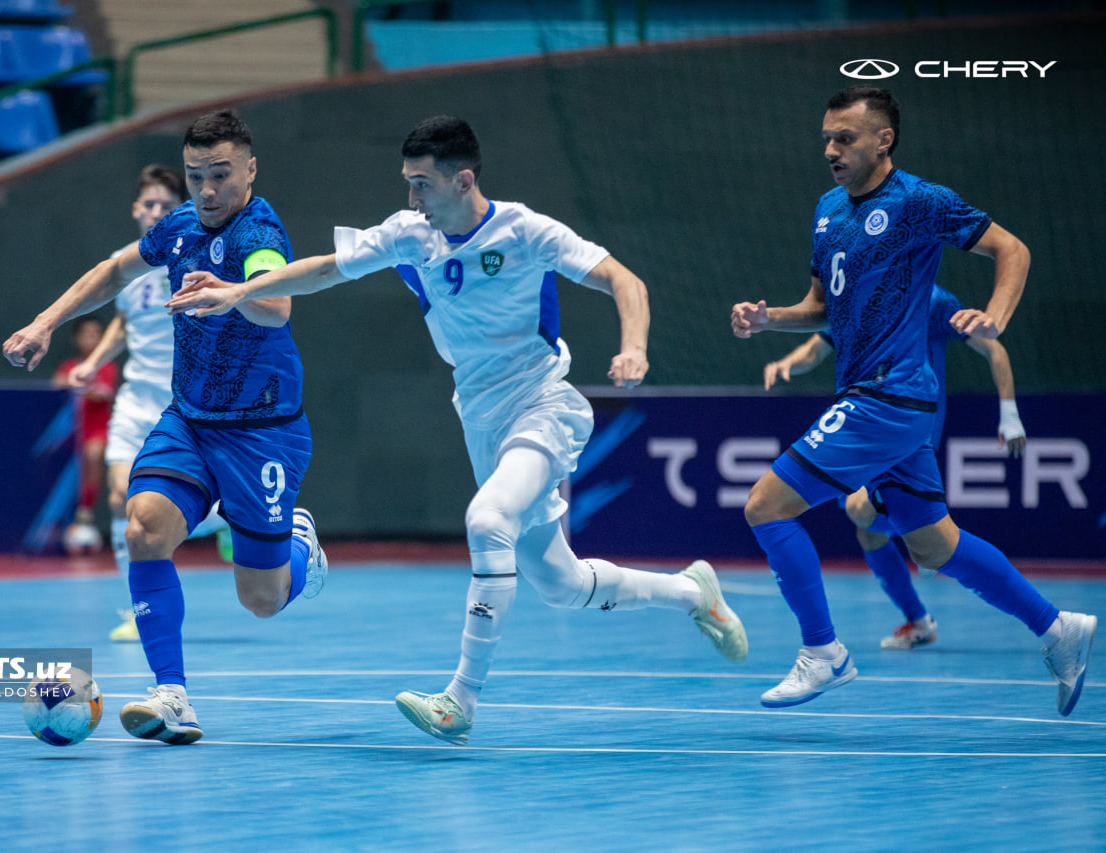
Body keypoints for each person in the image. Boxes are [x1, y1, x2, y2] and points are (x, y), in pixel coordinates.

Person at [165, 114, 749, 746]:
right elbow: (325, 269)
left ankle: (460, 701)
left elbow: (622, 280)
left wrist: (634, 346)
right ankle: (692, 593)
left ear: (462, 180)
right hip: (480, 413)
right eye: (407, 183)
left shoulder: (525, 231)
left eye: (421, 185)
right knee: (559, 582)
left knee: (487, 519)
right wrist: (239, 290)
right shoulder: (412, 235)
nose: (411, 199)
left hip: (542, 403)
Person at [730, 86, 1094, 715]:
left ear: (883, 140)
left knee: (765, 506)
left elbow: (1012, 249)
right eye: (825, 138)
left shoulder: (918, 202)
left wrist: (995, 318)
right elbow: (821, 310)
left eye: (844, 137)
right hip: (879, 400)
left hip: (888, 397)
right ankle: (1058, 629)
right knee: (934, 545)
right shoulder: (827, 210)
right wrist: (771, 320)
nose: (831, 150)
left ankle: (824, 653)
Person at [3, 109, 327, 745]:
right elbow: (116, 270)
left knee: (259, 599)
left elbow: (276, 302)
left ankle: (301, 545)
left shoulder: (258, 230)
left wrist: (232, 291)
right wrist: (46, 322)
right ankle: (172, 694)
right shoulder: (179, 226)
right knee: (144, 525)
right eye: (196, 175)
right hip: (190, 419)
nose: (208, 190)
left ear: (251, 170)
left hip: (261, 430)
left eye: (222, 175)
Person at [762, 283, 1027, 650]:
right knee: (868, 530)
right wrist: (787, 363)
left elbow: (993, 350)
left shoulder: (931, 300)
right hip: (869, 425)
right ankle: (919, 619)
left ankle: (926, 537)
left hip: (911, 428)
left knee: (860, 509)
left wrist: (1010, 415)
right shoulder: (856, 290)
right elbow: (818, 346)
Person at [65, 164, 234, 643]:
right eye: (149, 204)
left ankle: (225, 518)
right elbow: (123, 323)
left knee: (166, 511)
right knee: (121, 498)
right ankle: (137, 609)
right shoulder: (126, 261)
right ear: (136, 210)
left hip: (183, 405)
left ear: (177, 209)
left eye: (166, 204)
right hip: (135, 400)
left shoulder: (194, 256)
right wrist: (94, 361)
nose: (156, 212)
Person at [52, 315, 118, 553]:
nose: (91, 339)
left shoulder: (107, 366)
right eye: (86, 334)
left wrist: (84, 387)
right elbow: (57, 383)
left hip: (97, 430)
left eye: (96, 334)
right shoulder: (69, 366)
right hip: (70, 433)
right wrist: (72, 382)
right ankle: (59, 524)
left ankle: (85, 515)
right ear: (76, 339)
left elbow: (102, 393)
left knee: (94, 454)